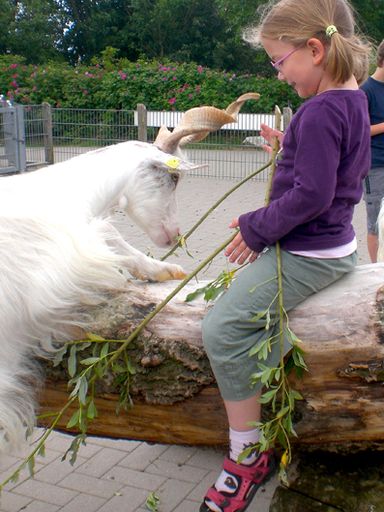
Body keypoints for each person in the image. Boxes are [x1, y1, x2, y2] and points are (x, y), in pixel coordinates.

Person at [200, 0, 371, 511]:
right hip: (337, 244)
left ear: (314, 50)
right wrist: (287, 148)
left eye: (279, 61)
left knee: (222, 329)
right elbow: (330, 171)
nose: (278, 75)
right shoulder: (352, 99)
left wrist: (255, 228)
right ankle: (268, 411)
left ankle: (246, 452)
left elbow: (312, 196)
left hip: (309, 252)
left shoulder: (319, 110)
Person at [361, 40, 384, 263]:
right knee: (375, 222)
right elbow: (360, 131)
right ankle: (376, 273)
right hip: (375, 166)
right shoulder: (365, 91)